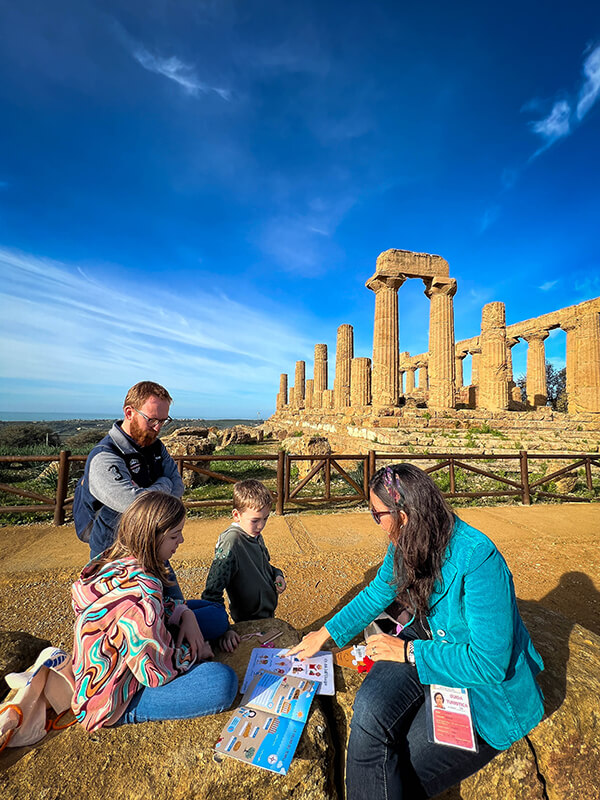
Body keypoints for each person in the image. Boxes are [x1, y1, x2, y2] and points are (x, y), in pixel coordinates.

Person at [288, 463, 545, 800]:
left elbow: (490, 664)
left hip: (481, 689)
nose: (376, 522)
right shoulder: (407, 540)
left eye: (377, 514)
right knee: (368, 709)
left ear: (404, 513)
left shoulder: (479, 559)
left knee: (400, 771)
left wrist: (406, 652)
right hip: (425, 639)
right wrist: (324, 634)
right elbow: (379, 591)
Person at [71, 493, 238, 731]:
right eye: (174, 535)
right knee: (222, 682)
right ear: (150, 538)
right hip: (112, 696)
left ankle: (183, 627)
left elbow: (154, 608)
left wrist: (184, 614)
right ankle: (127, 713)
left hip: (130, 646)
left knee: (216, 615)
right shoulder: (142, 596)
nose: (181, 540)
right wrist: (194, 651)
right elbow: (154, 673)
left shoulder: (113, 562)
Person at [73, 380, 185, 559]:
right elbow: (133, 504)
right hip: (113, 552)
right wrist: (164, 483)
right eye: (152, 420)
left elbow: (179, 487)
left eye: (164, 421)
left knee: (168, 588)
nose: (158, 428)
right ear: (129, 412)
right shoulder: (104, 456)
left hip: (152, 545)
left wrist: (146, 493)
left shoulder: (155, 446)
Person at [202, 479, 286, 652]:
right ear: (236, 515)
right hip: (247, 621)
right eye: (255, 520)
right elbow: (211, 593)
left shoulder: (254, 533)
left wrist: (277, 575)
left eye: (265, 518)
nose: (261, 525)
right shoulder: (231, 543)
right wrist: (224, 629)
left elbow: (265, 566)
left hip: (266, 615)